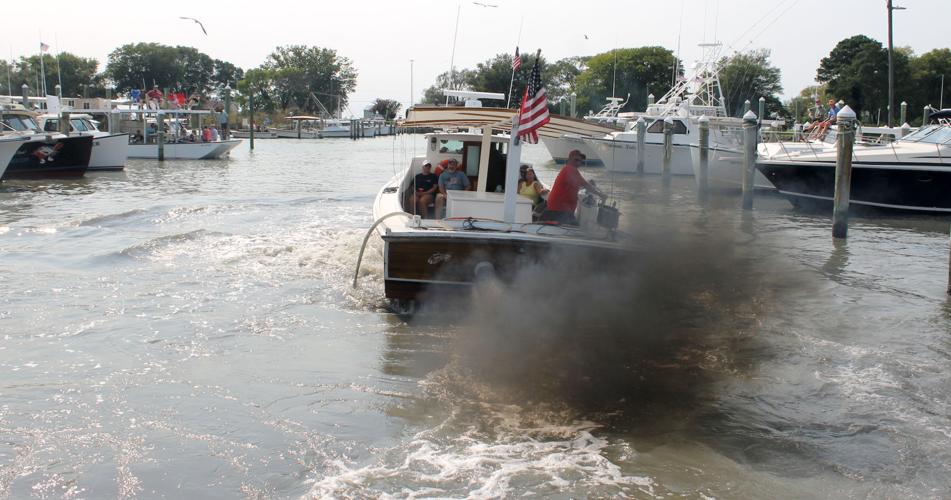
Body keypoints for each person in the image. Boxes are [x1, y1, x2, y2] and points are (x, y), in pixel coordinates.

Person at [540, 150, 605, 224]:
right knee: (575, 232)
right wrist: (600, 195)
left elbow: (577, 184)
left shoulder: (570, 171)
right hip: (559, 211)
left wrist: (588, 185)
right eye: (576, 160)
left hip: (561, 209)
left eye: (580, 161)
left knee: (575, 228)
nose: (578, 162)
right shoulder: (570, 169)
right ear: (570, 159)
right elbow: (585, 185)